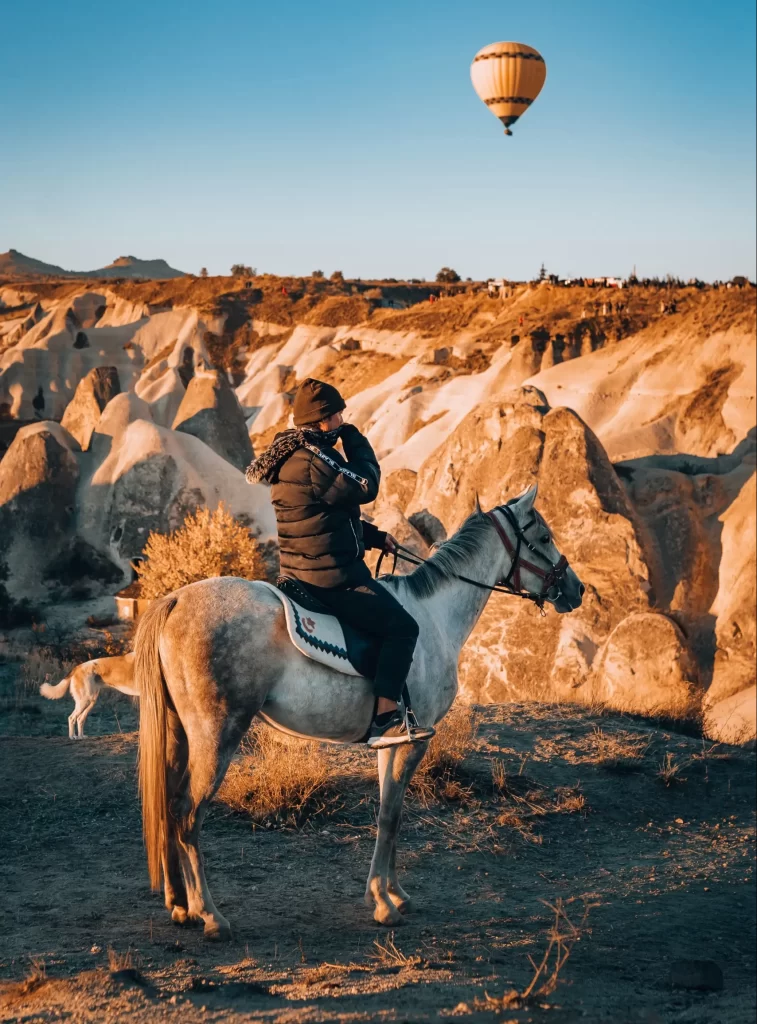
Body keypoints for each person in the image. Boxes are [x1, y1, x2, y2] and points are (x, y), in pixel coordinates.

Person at [246, 378, 435, 749]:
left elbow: (316, 518)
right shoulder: (315, 459)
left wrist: (373, 537)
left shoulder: (289, 456)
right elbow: (366, 485)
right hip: (332, 579)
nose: (342, 419)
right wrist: (355, 439)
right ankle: (385, 721)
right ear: (322, 420)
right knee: (402, 629)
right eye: (338, 415)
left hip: (299, 570)